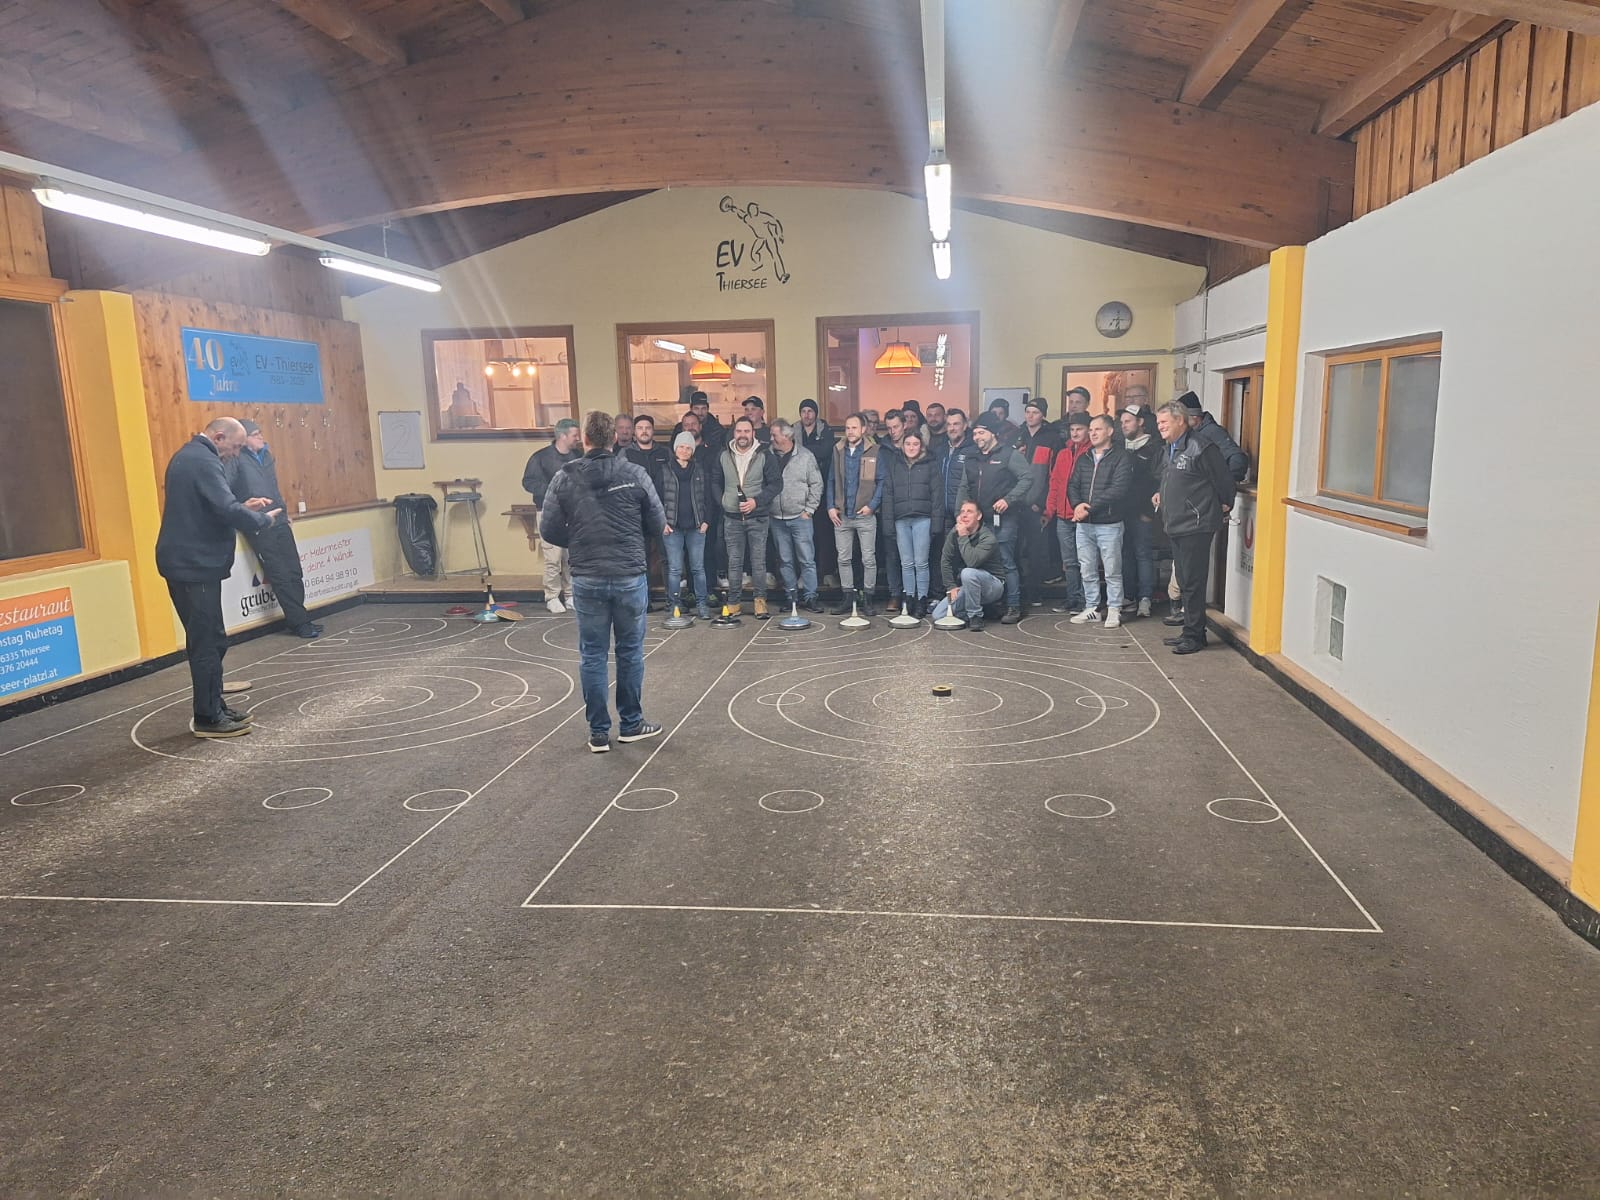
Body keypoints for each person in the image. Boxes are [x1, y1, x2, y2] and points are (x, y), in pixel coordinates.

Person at [539, 410, 666, 752]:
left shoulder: (564, 477)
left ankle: (598, 732)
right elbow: (657, 522)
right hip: (628, 575)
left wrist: (579, 543)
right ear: (614, 438)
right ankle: (631, 723)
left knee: (592, 655)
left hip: (587, 577)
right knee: (630, 652)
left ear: (584, 439)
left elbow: (548, 528)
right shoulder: (634, 473)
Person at [155, 417, 282, 739]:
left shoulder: (192, 456)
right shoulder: (203, 460)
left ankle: (215, 706)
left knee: (212, 638)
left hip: (191, 562)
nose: (236, 454)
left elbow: (212, 507)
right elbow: (224, 509)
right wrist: (262, 520)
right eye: (236, 447)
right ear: (219, 437)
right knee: (207, 642)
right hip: (193, 564)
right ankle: (208, 717)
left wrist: (241, 506)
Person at [1154, 399, 1236, 654]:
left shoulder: (1201, 447)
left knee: (1193, 581)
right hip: (1176, 523)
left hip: (1195, 523)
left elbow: (1223, 480)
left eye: (1164, 422)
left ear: (1180, 420)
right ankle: (1190, 631)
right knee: (1185, 579)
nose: (1160, 427)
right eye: (1158, 423)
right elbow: (1172, 479)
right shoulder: (1171, 448)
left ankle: (1195, 635)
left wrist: (1224, 504)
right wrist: (1160, 494)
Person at [226, 418, 321, 639]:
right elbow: (225, 490)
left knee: (294, 571)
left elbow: (274, 488)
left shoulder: (267, 456)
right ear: (244, 439)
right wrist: (243, 510)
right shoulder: (235, 459)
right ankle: (300, 622)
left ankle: (300, 617)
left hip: (279, 519)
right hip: (258, 523)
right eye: (255, 434)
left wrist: (284, 514)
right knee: (279, 574)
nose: (261, 437)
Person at [956, 419, 1032, 623]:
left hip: (1004, 519)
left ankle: (1014, 606)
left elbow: (1027, 478)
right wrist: (960, 514)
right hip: (979, 521)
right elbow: (964, 487)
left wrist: (1008, 499)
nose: (977, 437)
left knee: (1005, 561)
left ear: (993, 434)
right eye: (975, 433)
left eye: (981, 433)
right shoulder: (971, 457)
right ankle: (992, 605)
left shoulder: (1009, 454)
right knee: (982, 562)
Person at [1066, 414, 1132, 629]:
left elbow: (1119, 489)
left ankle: (1114, 608)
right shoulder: (1084, 457)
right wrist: (1077, 505)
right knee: (1087, 568)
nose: (1092, 433)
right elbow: (1072, 485)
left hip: (1109, 523)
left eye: (1098, 429)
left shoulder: (1121, 457)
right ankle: (1092, 607)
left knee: (1112, 570)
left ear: (1110, 431)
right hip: (1084, 524)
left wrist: (1089, 508)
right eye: (1091, 429)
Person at [718, 416, 780, 618]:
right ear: (734, 433)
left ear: (753, 433)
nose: (742, 435)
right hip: (732, 517)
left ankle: (760, 601)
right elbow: (715, 481)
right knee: (734, 562)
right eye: (739, 431)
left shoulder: (765, 454)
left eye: (746, 431)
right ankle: (734, 602)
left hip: (757, 517)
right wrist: (723, 501)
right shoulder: (724, 455)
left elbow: (776, 484)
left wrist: (756, 502)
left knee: (758, 562)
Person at [521, 417, 582, 613]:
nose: (578, 438)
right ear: (562, 436)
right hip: (549, 513)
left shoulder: (579, 456)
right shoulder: (540, 458)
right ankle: (552, 596)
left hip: (573, 512)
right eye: (575, 435)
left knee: (572, 557)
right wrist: (553, 489)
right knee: (553, 557)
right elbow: (528, 482)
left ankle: (571, 595)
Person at [767, 419, 825, 612]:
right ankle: (791, 597)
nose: (771, 438)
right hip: (776, 518)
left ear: (787, 436)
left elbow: (816, 484)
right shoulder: (767, 456)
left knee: (807, 559)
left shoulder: (805, 456)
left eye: (774, 435)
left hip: (800, 517)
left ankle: (810, 597)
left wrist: (809, 510)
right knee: (785, 561)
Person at [882, 430, 940, 617]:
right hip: (901, 519)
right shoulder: (894, 464)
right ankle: (909, 598)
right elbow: (888, 495)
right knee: (906, 563)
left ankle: (921, 600)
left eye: (915, 444)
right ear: (902, 445)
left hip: (923, 518)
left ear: (921, 446)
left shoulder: (930, 464)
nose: (911, 447)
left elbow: (937, 495)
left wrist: (936, 524)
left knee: (921, 563)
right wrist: (888, 524)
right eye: (908, 444)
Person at [828, 412, 882, 615]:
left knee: (869, 559)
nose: (850, 431)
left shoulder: (874, 450)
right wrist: (830, 506)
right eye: (848, 427)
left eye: (854, 427)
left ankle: (868, 599)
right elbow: (831, 479)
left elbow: (882, 481)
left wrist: (872, 505)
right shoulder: (838, 449)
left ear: (863, 429)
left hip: (865, 514)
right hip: (842, 514)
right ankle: (847, 598)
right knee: (843, 559)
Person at [660, 431, 714, 619]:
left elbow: (708, 498)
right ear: (675, 448)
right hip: (672, 527)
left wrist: (706, 521)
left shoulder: (699, 470)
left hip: (696, 527)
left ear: (692, 451)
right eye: (681, 447)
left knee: (698, 568)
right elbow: (656, 499)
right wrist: (662, 522)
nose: (684, 450)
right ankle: (674, 605)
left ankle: (702, 605)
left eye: (688, 448)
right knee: (675, 569)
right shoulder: (664, 470)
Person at [1043, 411, 1093, 613]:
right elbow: (1054, 483)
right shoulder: (1063, 453)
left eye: (1079, 429)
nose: (1075, 433)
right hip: (1063, 516)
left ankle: (1086, 600)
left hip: (1083, 516)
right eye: (1072, 429)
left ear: (1088, 430)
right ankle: (1072, 598)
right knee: (1069, 562)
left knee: (1086, 561)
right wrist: (1050, 510)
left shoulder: (1092, 453)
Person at [1015, 395, 1062, 611]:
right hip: (1016, 503)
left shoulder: (1052, 438)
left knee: (1036, 552)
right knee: (1016, 550)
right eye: (1027, 412)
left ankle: (1035, 592)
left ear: (1043, 415)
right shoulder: (1018, 436)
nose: (1030, 416)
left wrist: (1042, 503)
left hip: (1037, 505)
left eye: (1035, 412)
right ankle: (1017, 593)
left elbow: (1054, 475)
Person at [931, 500, 1004, 630]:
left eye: (969, 512)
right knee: (939, 615)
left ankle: (975, 617)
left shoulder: (987, 537)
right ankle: (983, 611)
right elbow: (945, 560)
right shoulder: (955, 533)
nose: (964, 515)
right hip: (969, 585)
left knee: (968, 572)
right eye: (962, 512)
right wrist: (951, 586)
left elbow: (972, 562)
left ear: (979, 516)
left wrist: (963, 536)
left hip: (993, 585)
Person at [1119, 404, 1161, 618]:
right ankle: (1129, 596)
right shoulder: (1119, 446)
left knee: (1143, 554)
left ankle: (1145, 597)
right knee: (1125, 554)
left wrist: (1149, 511)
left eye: (1128, 421)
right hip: (1121, 511)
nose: (1124, 425)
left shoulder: (1155, 447)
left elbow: (1157, 481)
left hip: (1143, 511)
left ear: (1140, 422)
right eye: (1122, 422)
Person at [931, 406, 977, 595]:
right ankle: (945, 594)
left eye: (956, 424)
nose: (952, 428)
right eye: (949, 424)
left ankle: (967, 596)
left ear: (965, 426)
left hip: (964, 512)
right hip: (943, 512)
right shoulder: (940, 449)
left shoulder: (973, 449)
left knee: (966, 555)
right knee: (944, 555)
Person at [797, 398, 838, 589]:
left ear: (816, 413)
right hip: (800, 492)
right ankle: (805, 575)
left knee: (824, 534)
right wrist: (814, 450)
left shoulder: (825, 431)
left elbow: (826, 451)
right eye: (803, 411)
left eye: (810, 411)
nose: (807, 415)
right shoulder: (794, 430)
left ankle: (826, 572)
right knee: (803, 536)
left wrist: (802, 451)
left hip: (823, 490)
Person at [1178, 391, 1250, 482]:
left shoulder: (1213, 432)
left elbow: (1237, 457)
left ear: (1195, 416)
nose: (1180, 422)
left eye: (1183, 418)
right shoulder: (1190, 434)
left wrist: (1227, 483)